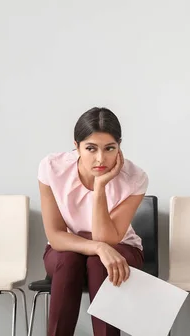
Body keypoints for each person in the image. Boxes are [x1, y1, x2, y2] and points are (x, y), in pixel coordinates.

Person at [37, 107, 149, 336]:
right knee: (69, 261)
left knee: (100, 264)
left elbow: (106, 237)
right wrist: (97, 247)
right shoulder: (52, 168)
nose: (100, 159)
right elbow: (56, 235)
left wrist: (100, 187)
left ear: (119, 147)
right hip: (67, 248)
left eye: (109, 148)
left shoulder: (135, 178)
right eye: (90, 148)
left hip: (121, 247)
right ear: (76, 145)